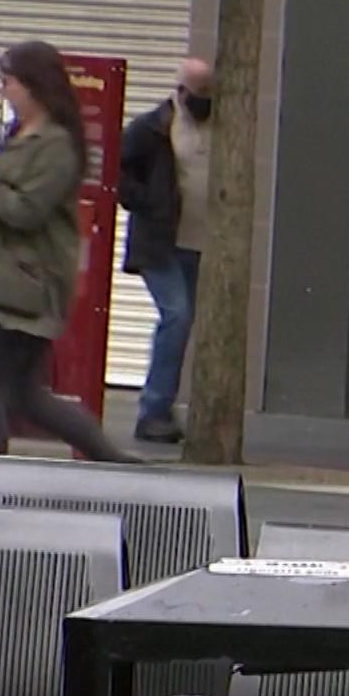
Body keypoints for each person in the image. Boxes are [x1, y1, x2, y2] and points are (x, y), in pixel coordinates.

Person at [0, 41, 133, 466]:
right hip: (1, 275)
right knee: (26, 395)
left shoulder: (56, 146)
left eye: (8, 82)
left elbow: (26, 209)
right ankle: (110, 458)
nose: (4, 91)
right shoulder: (17, 136)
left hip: (25, 285)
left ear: (33, 86)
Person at [120, 57, 213, 444]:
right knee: (177, 314)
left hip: (200, 241)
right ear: (180, 91)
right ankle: (153, 410)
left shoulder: (221, 127)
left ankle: (165, 406)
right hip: (161, 243)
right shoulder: (152, 128)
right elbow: (118, 172)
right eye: (198, 94)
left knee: (185, 321)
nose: (205, 102)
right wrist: (150, 204)